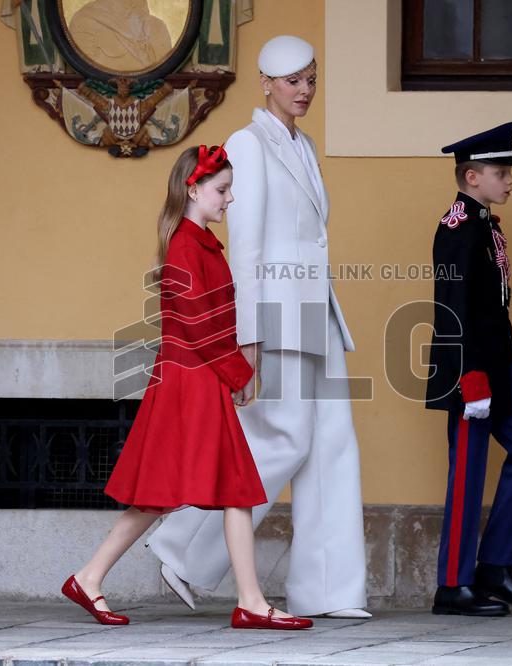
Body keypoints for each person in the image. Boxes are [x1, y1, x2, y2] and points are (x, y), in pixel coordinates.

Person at [148, 35, 370, 619]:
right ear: (265, 83)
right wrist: (248, 336)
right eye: (292, 79)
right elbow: (243, 248)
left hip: (316, 310)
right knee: (284, 438)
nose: (304, 90)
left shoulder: (305, 145)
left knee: (333, 444)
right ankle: (181, 549)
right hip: (276, 314)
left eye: (311, 78)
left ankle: (329, 590)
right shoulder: (247, 144)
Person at [61, 145, 312, 631]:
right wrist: (239, 374)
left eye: (229, 190)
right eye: (221, 190)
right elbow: (199, 325)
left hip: (197, 379)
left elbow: (208, 323)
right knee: (210, 489)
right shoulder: (185, 245)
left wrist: (235, 373)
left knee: (209, 490)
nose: (229, 200)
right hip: (191, 381)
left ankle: (92, 578)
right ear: (192, 190)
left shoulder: (196, 242)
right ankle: (250, 603)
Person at [425, 122, 512, 616]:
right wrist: (470, 377)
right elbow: (452, 306)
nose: (510, 180)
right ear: (472, 177)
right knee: (469, 474)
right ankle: (453, 585)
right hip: (470, 374)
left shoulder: (486, 226)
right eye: (501, 172)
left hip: (500, 371)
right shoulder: (458, 229)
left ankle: (495, 567)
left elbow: (496, 311)